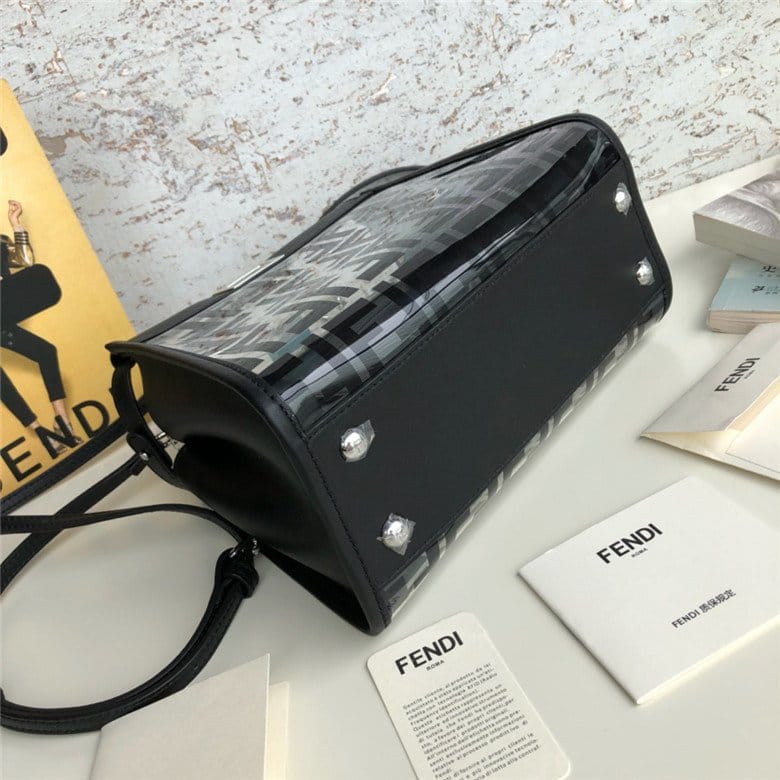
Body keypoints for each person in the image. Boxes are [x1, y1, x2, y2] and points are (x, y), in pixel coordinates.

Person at [1, 199, 81, 452]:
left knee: (46, 352)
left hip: (3, 315)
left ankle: (62, 423)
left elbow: (24, 261)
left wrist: (16, 223)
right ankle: (40, 431)